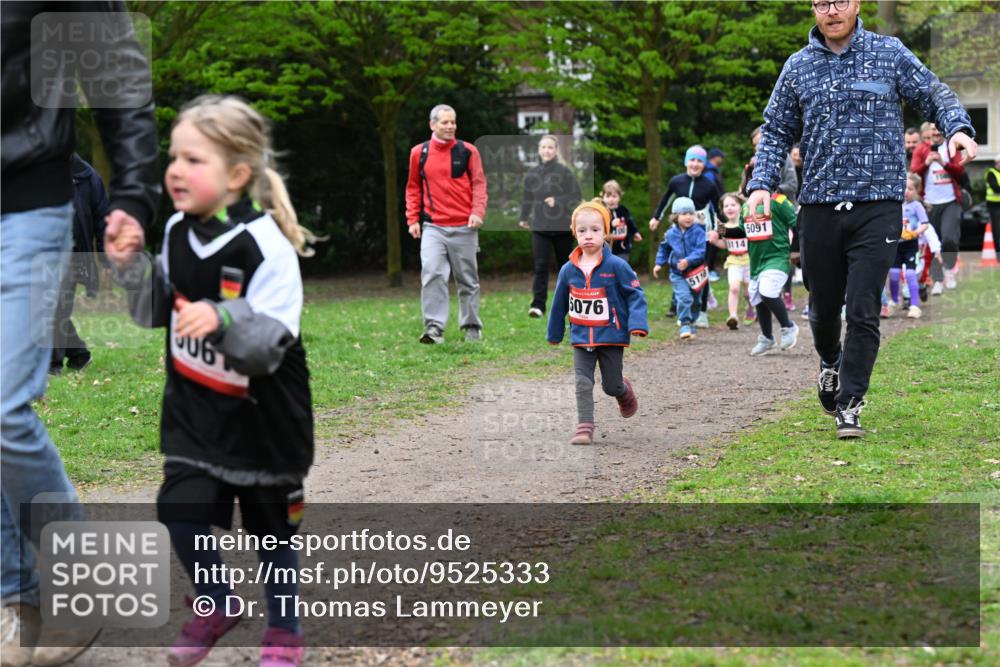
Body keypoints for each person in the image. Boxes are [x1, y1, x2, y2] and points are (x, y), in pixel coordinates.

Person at [108, 95, 317, 667]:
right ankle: (217, 601)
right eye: (173, 157)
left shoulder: (266, 245)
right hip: (195, 415)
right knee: (181, 512)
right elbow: (156, 310)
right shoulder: (176, 230)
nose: (175, 170)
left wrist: (223, 317)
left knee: (272, 535)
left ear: (237, 175)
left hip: (266, 422)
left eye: (193, 160)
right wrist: (132, 270)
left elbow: (267, 344)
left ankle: (284, 633)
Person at [1, 6, 159, 666]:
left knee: (3, 409)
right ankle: (16, 596)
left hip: (27, 199)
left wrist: (132, 192)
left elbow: (118, 73)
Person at [746, 0, 976, 438]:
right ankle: (830, 360)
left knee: (866, 307)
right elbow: (775, 129)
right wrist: (760, 183)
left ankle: (850, 403)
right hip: (818, 205)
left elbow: (933, 93)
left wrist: (958, 126)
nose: (831, 11)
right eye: (820, 3)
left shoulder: (888, 53)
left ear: (856, 4)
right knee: (824, 306)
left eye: (840, 1)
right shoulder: (798, 67)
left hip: (878, 204)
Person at [547, 200, 648, 445]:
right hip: (581, 336)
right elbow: (559, 302)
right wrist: (555, 332)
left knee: (610, 386)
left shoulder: (617, 266)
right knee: (582, 381)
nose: (588, 236)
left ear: (605, 232)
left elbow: (636, 294)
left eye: (595, 230)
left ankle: (623, 391)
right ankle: (584, 427)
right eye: (582, 231)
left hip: (611, 335)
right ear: (575, 233)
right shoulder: (567, 270)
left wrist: (637, 323)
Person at [405, 104, 488, 343]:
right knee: (432, 274)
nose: (450, 126)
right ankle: (434, 329)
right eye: (445, 122)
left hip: (465, 226)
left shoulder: (468, 151)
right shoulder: (418, 153)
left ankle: (472, 326)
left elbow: (479, 185)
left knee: (468, 279)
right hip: (433, 227)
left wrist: (477, 212)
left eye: (453, 122)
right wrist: (412, 219)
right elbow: (413, 187)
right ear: (432, 125)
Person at [49, 154, 110, 375]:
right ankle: (78, 354)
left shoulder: (87, 176)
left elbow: (103, 219)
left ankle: (52, 364)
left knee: (56, 306)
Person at [650, 146, 720, 322]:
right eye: (692, 160)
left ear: (704, 165)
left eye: (699, 161)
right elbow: (666, 200)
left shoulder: (709, 184)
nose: (695, 164)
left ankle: (702, 312)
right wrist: (656, 217)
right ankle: (679, 306)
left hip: (702, 232)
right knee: (679, 266)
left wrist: (717, 231)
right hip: (680, 232)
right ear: (686, 161)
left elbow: (718, 210)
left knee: (701, 270)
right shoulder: (677, 181)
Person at [518, 135, 581, 318]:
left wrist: (558, 200)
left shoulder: (564, 172)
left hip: (562, 227)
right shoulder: (532, 174)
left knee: (566, 267)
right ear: (539, 150)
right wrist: (523, 217)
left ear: (555, 150)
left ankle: (572, 303)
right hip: (540, 227)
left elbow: (576, 195)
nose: (546, 150)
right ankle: (538, 306)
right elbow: (527, 198)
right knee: (540, 266)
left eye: (550, 148)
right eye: (543, 147)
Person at [741, 193, 800, 356]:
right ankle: (767, 339)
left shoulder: (779, 200)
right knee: (757, 297)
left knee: (767, 291)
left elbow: (796, 223)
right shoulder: (747, 205)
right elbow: (741, 230)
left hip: (778, 257)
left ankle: (788, 327)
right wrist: (725, 231)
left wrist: (796, 249)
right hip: (756, 262)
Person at [910, 122, 966, 291]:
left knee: (949, 239)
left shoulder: (951, 147)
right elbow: (913, 173)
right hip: (929, 204)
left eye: (940, 128)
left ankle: (949, 270)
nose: (937, 132)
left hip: (950, 202)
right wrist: (926, 163)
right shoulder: (921, 149)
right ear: (930, 131)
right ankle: (937, 280)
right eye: (934, 129)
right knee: (932, 244)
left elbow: (960, 170)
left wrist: (944, 163)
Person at [653, 197, 706, 340]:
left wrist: (688, 261)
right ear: (676, 216)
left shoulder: (698, 231)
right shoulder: (670, 233)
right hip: (678, 273)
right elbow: (663, 248)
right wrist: (659, 263)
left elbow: (701, 251)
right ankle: (685, 323)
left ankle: (692, 321)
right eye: (684, 214)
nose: (688, 217)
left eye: (691, 213)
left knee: (696, 301)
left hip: (696, 272)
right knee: (684, 298)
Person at [888, 173, 931, 318]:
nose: (906, 191)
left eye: (910, 189)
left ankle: (914, 306)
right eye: (903, 188)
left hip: (911, 245)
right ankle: (893, 302)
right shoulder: (894, 204)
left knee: (910, 274)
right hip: (896, 246)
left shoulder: (917, 206)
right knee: (893, 274)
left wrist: (914, 233)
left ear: (917, 191)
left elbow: (925, 224)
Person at [707, 192, 752, 330]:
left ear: (741, 207)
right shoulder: (723, 227)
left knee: (748, 292)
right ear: (722, 210)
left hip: (749, 261)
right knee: (733, 288)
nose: (730, 208)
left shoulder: (748, 223)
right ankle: (733, 317)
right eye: (726, 206)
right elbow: (725, 245)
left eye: (733, 205)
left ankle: (751, 308)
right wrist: (715, 242)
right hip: (733, 261)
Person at [601, 180, 641, 264]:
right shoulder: (602, 212)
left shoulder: (623, 210)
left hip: (623, 246)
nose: (611, 199)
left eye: (614, 196)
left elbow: (630, 222)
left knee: (621, 264)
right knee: (608, 265)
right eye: (608, 196)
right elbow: (600, 226)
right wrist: (611, 224)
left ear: (619, 196)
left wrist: (635, 232)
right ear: (603, 197)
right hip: (607, 247)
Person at [985, 157, 1000, 231]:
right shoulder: (991, 173)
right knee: (996, 226)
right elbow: (995, 188)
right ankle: (997, 242)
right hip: (993, 204)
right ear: (997, 163)